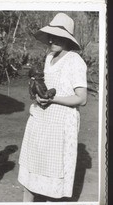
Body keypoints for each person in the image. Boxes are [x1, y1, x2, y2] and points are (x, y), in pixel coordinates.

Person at [18, 13, 87, 202]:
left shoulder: (75, 61)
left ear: (68, 39)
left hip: (60, 123)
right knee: (31, 173)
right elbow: (45, 86)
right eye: (51, 35)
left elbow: (81, 99)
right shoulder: (49, 57)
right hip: (40, 120)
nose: (51, 40)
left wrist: (53, 101)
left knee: (52, 179)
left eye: (57, 36)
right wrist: (39, 97)